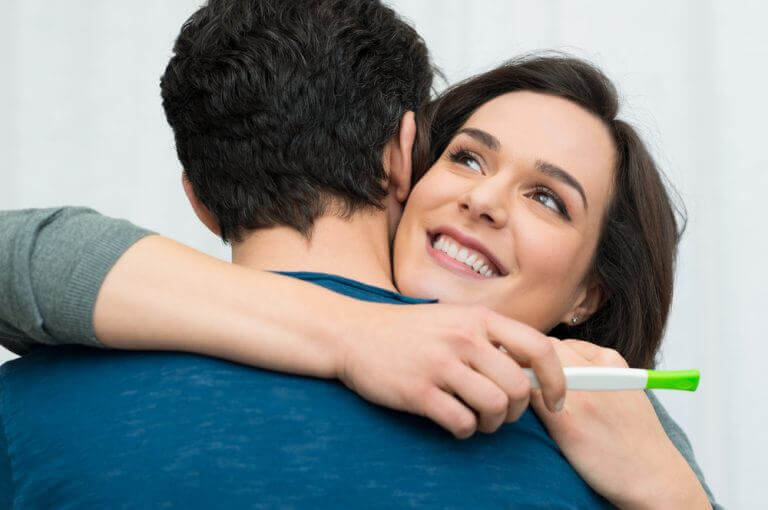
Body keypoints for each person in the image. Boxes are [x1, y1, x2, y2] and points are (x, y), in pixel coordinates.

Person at [0, 2, 719, 509]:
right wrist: (357, 332)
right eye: (468, 159)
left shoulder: (628, 445)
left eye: (548, 199)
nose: (486, 201)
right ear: (406, 162)